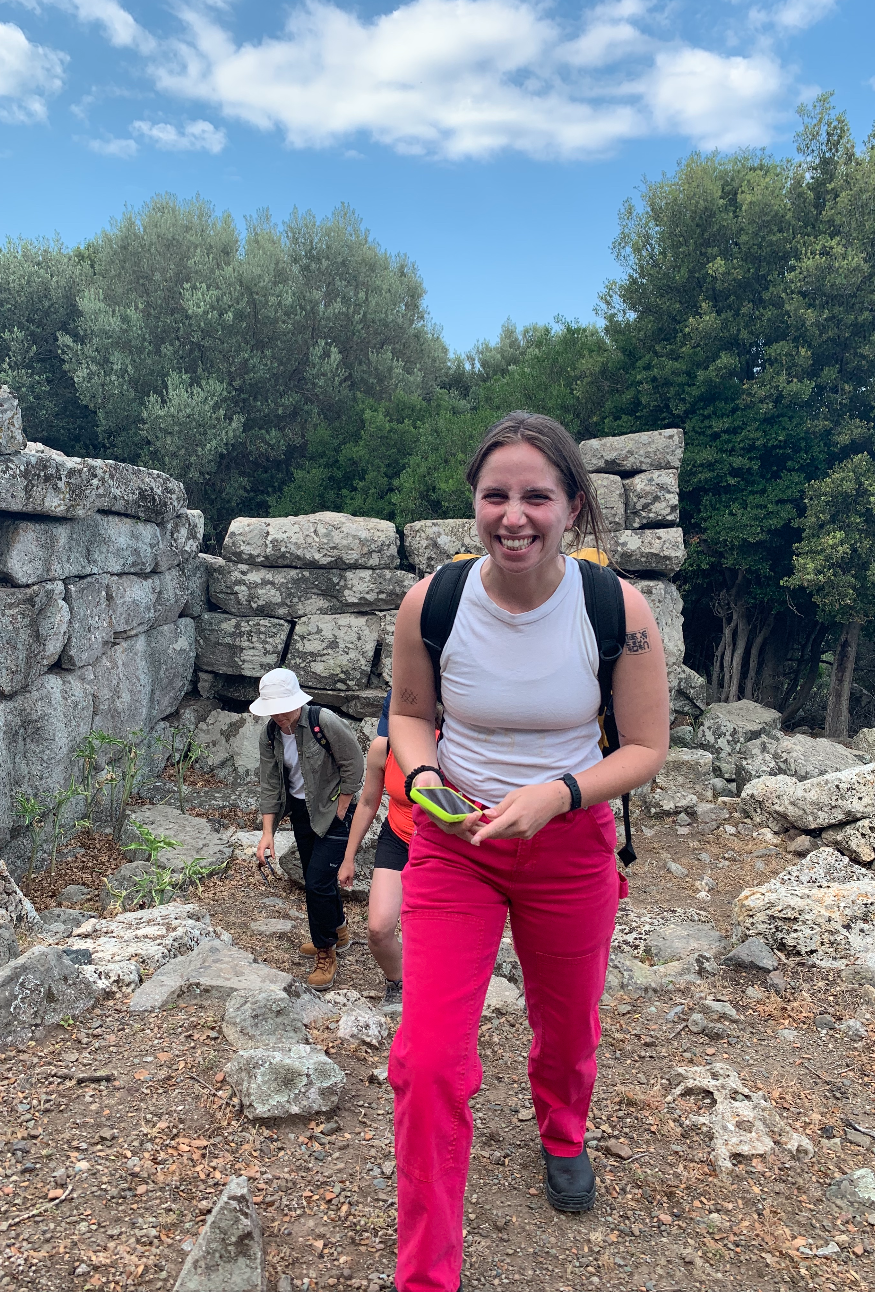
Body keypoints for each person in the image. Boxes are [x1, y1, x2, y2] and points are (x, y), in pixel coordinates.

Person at [386, 411, 670, 1292]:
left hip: (571, 843)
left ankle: (563, 1132)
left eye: (536, 496)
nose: (514, 515)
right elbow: (405, 713)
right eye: (496, 495)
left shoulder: (613, 607)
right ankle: (425, 1277)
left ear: (573, 507)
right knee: (427, 1061)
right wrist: (425, 772)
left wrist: (559, 793)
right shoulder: (431, 600)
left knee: (568, 1024)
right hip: (455, 842)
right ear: (475, 503)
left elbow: (647, 747)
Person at [252, 668, 364, 991]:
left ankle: (326, 950)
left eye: (283, 708)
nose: (279, 716)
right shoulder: (270, 735)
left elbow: (353, 762)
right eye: (273, 710)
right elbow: (270, 784)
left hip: (333, 810)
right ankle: (338, 929)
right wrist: (267, 833)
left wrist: (343, 807)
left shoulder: (322, 722)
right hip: (302, 812)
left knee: (316, 882)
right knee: (317, 877)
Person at [338, 691, 433, 1014]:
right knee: (378, 929)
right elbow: (368, 802)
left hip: (439, 844)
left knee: (428, 929)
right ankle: (399, 981)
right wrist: (349, 856)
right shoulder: (384, 747)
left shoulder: (448, 746)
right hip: (398, 838)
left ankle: (432, 988)